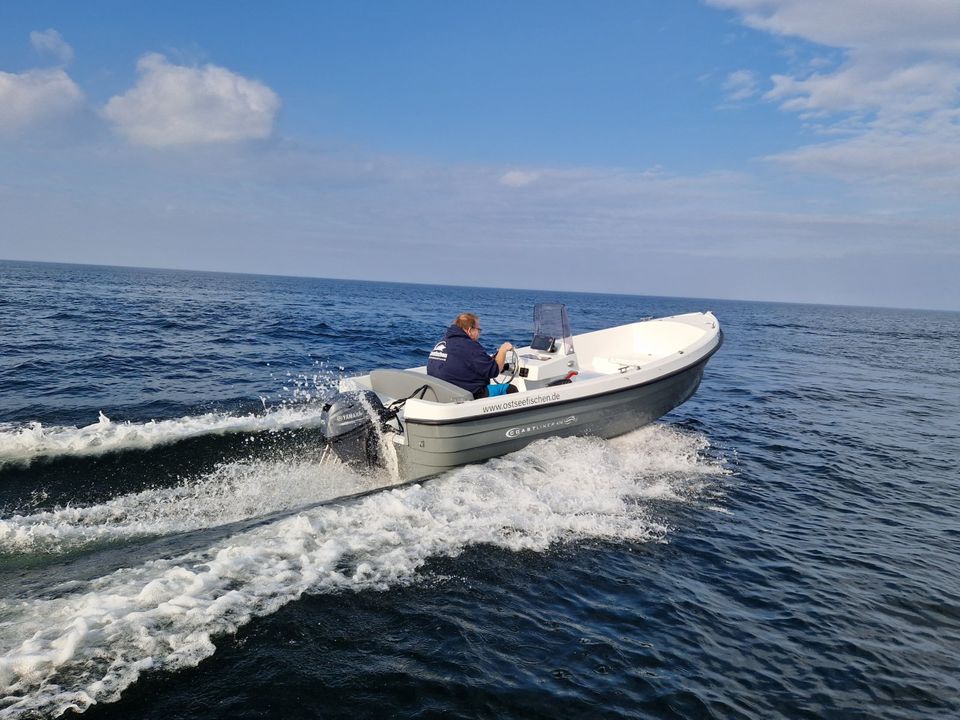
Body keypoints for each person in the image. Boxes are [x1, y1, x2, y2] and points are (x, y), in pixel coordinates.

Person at [427, 313, 519, 399]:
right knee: (510, 389)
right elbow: (494, 371)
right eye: (478, 330)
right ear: (470, 330)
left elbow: (464, 362)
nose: (479, 334)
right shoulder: (469, 346)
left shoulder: (443, 342)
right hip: (466, 394)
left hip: (440, 392)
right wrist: (503, 349)